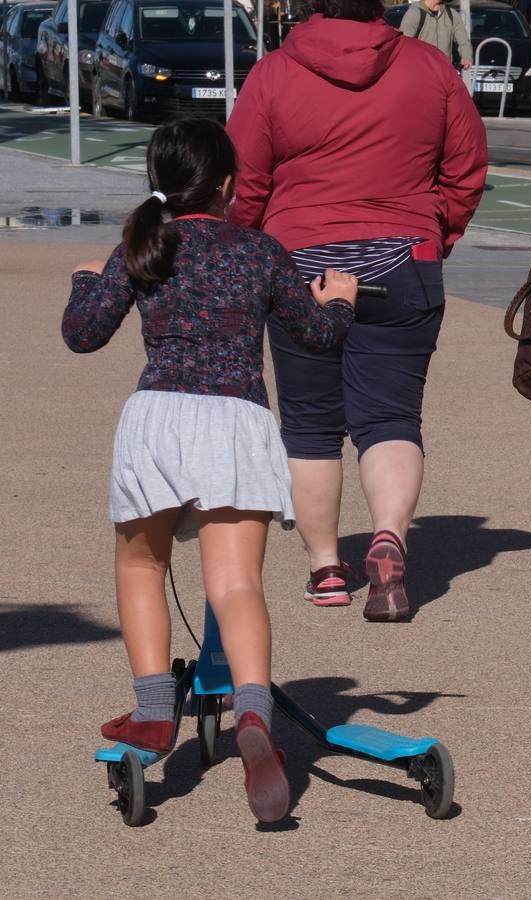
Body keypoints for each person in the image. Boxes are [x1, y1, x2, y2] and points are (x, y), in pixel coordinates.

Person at [61, 118, 358, 822]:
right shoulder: (261, 250)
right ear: (229, 184)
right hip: (236, 421)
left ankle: (153, 714)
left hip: (158, 419)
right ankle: (253, 716)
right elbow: (316, 336)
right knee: (235, 583)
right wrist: (339, 297)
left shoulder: (142, 245)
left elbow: (83, 335)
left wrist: (85, 285)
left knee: (140, 568)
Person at [227, 0, 487, 621]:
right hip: (404, 257)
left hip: (301, 259)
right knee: (391, 417)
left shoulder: (272, 73)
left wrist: (258, 250)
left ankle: (325, 570)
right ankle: (389, 536)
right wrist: (433, 235)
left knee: (312, 424)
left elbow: (245, 183)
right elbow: (466, 171)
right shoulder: (430, 67)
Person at [399, 0, 473, 69]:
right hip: (421, 71)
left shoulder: (451, 14)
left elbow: (464, 41)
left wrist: (466, 56)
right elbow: (403, 44)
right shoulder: (414, 13)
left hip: (445, 72)